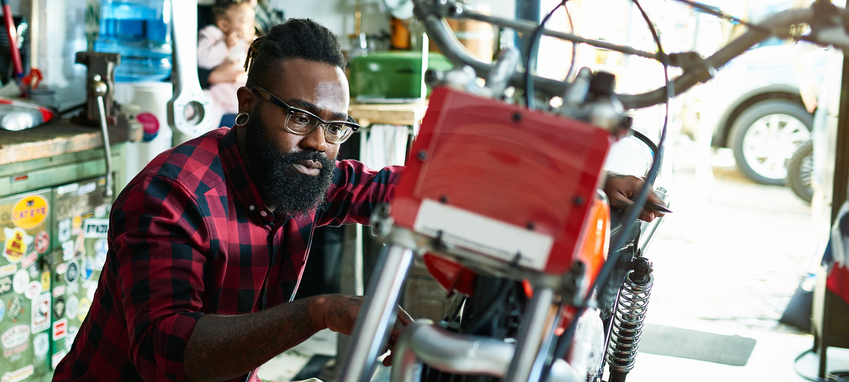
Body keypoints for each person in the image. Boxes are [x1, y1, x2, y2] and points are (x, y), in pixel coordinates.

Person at [54, 18, 664, 382]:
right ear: (245, 106)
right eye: (299, 116)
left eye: (336, 125)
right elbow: (169, 358)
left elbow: (406, 190)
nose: (320, 142)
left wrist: (575, 186)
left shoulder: (301, 173)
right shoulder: (172, 195)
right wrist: (318, 312)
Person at [198, 0, 256, 128]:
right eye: (246, 22)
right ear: (224, 24)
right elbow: (201, 59)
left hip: (238, 93)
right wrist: (225, 45)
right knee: (208, 111)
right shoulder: (212, 34)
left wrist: (253, 47)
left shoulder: (245, 41)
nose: (252, 27)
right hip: (217, 93)